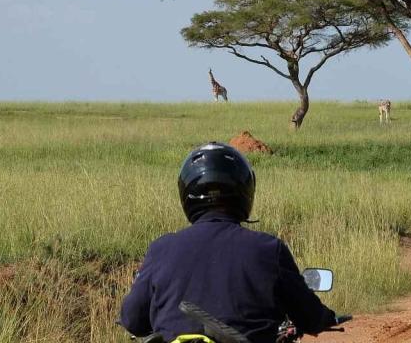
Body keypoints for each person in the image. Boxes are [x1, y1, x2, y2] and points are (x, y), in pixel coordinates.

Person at [119, 142, 337, 343]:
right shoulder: (269, 250)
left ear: (186, 194)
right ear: (244, 190)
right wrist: (327, 317)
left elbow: (132, 320)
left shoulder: (161, 249)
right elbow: (311, 317)